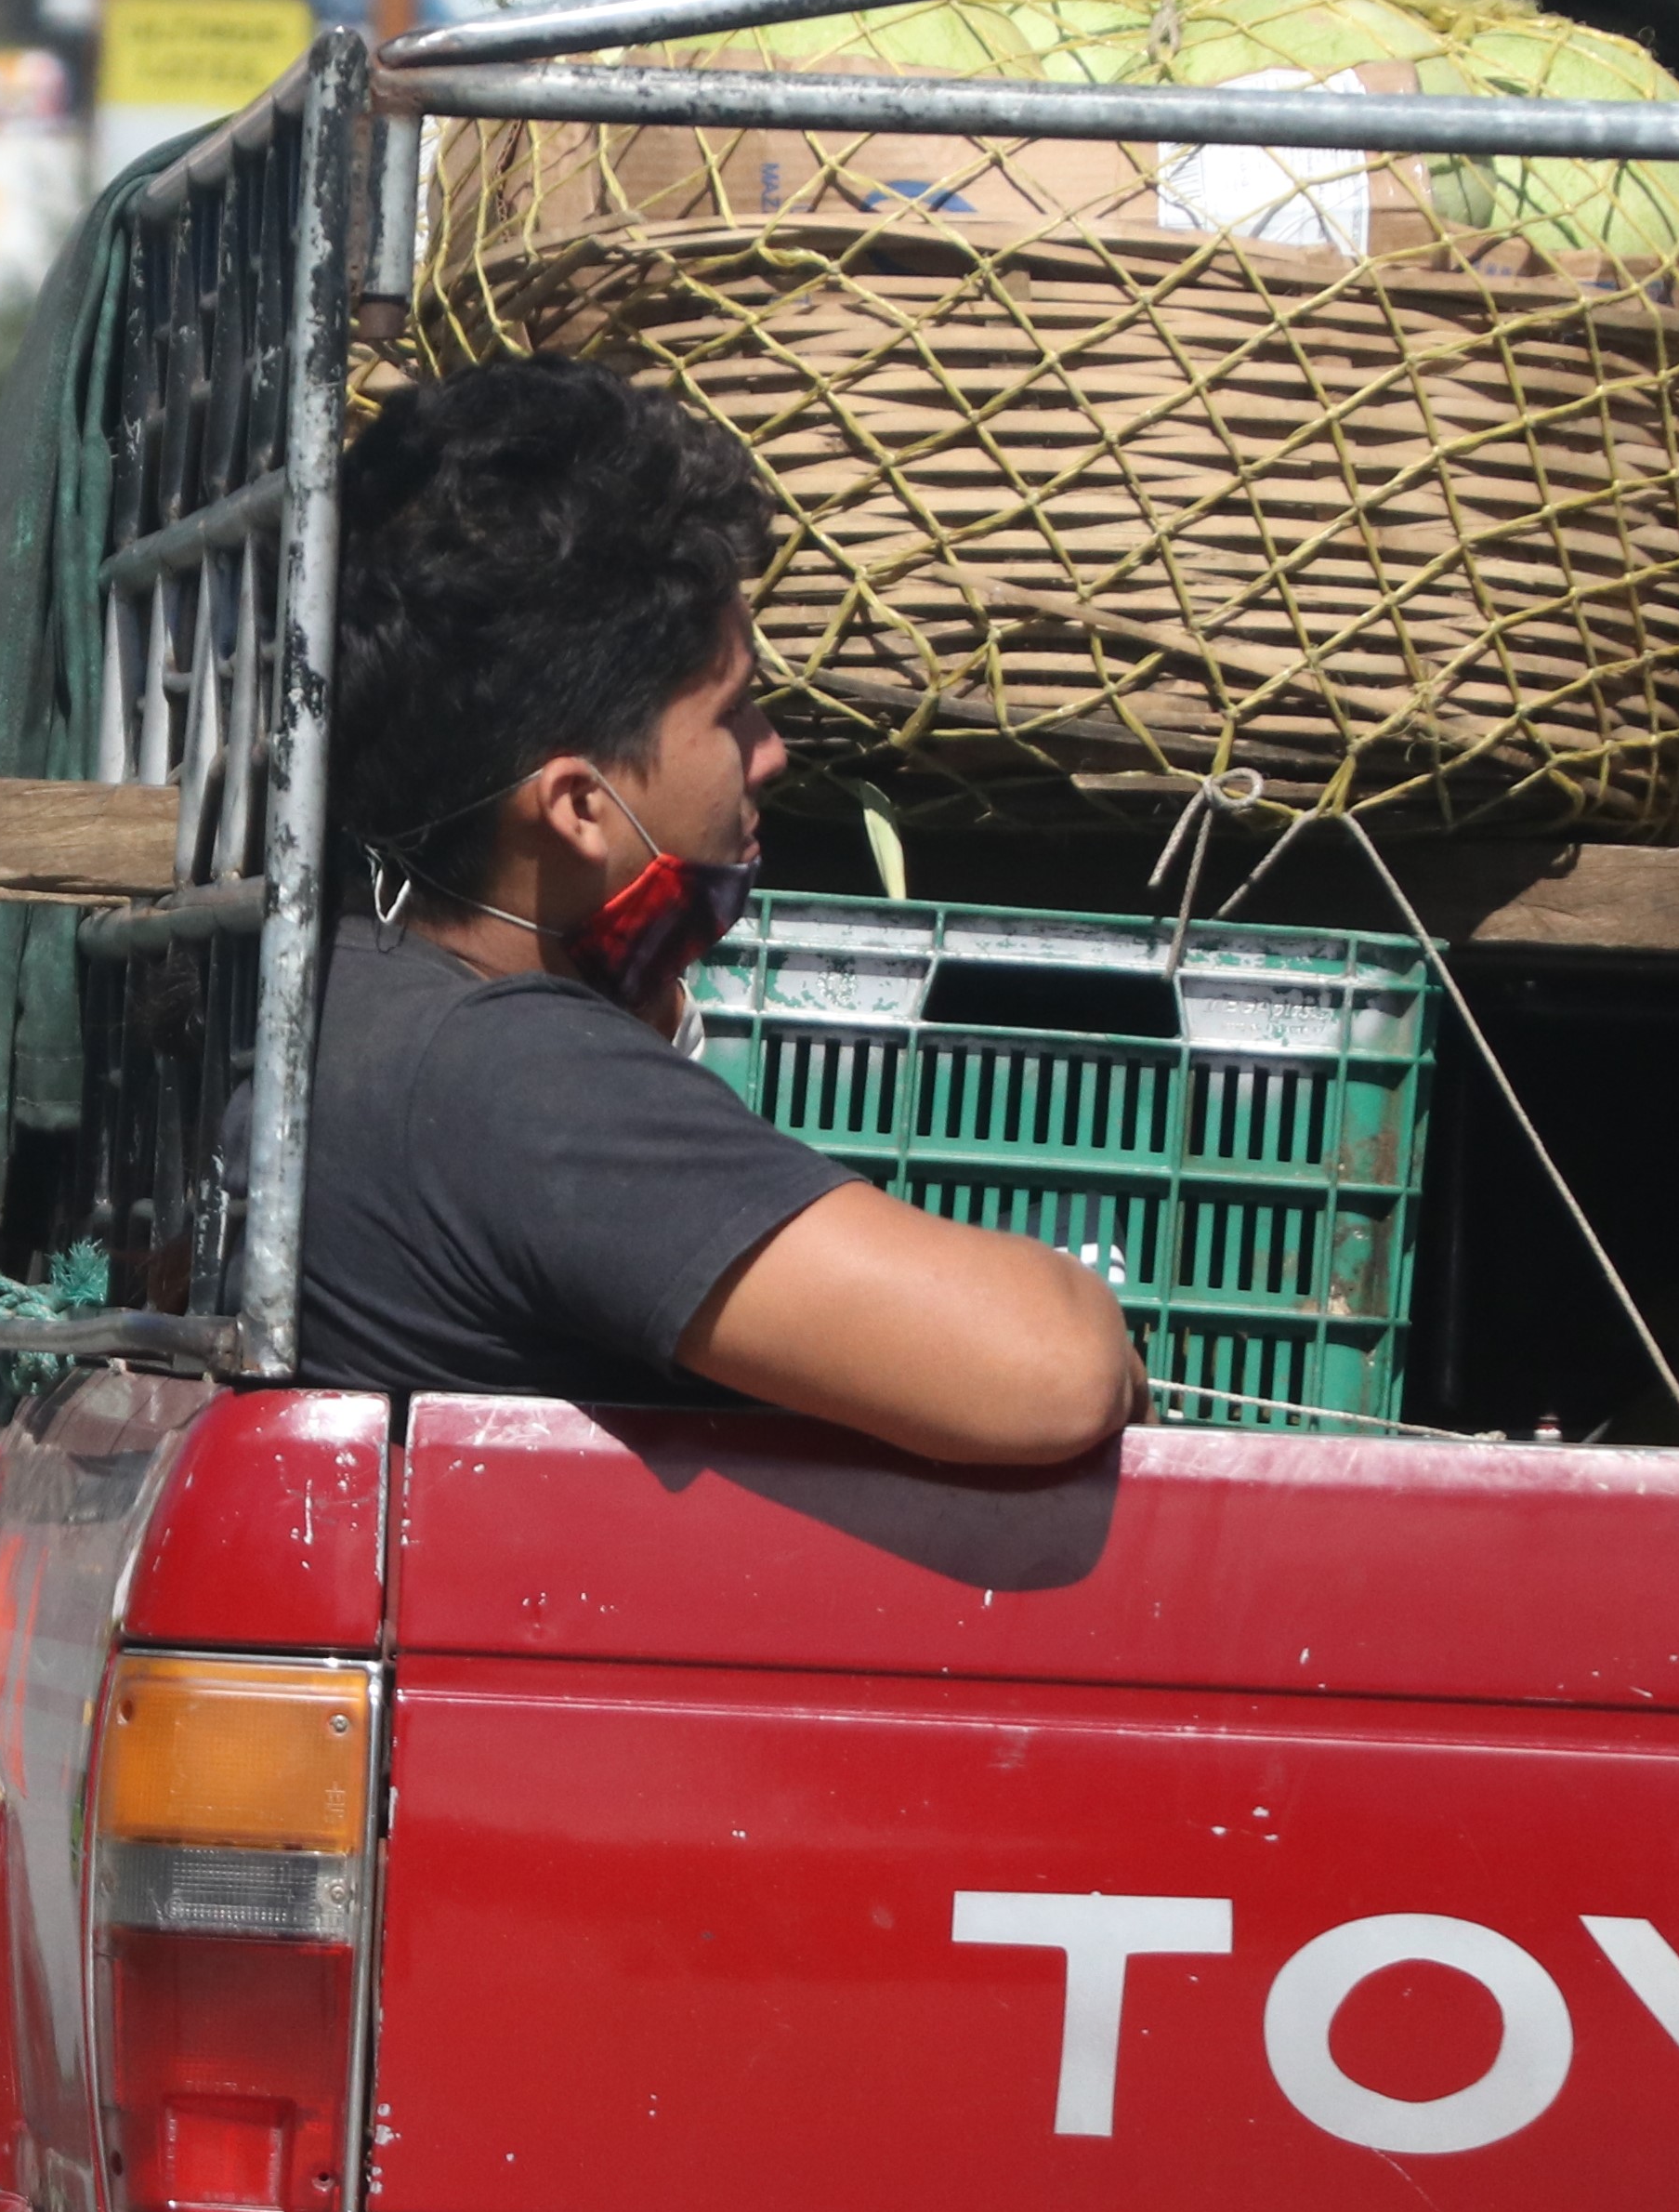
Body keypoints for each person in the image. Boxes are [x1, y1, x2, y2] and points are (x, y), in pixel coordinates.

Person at [303, 361, 1143, 1464]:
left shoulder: (353, 986)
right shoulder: (506, 1080)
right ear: (575, 806)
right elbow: (1047, 1370)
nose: (771, 752)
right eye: (730, 709)